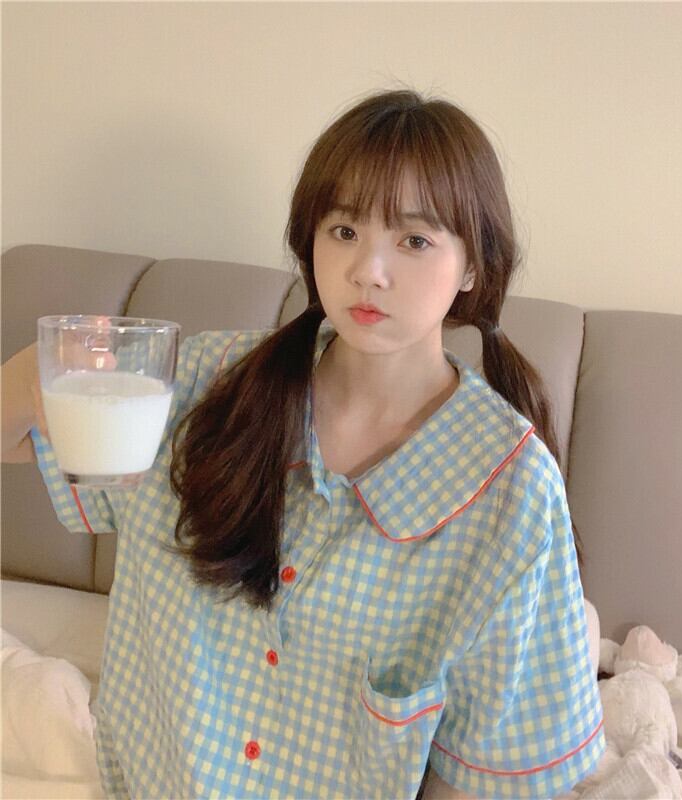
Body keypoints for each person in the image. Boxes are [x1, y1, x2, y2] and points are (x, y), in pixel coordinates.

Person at [1, 88, 605, 799]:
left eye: (413, 241)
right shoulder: (202, 384)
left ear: (473, 266)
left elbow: (479, 775)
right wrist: (45, 372)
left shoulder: (510, 492)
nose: (367, 270)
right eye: (343, 229)